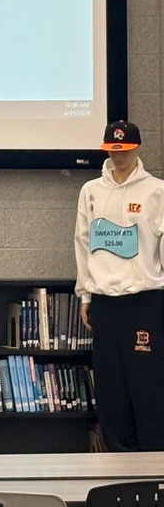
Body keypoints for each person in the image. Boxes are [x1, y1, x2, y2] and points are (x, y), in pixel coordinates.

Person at [74, 120, 164, 451]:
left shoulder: (157, 191)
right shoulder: (91, 191)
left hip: (144, 303)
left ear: (137, 148)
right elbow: (82, 244)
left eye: (124, 149)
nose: (118, 155)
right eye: (113, 148)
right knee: (111, 394)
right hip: (104, 304)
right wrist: (85, 295)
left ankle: (156, 469)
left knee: (148, 390)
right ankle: (118, 472)